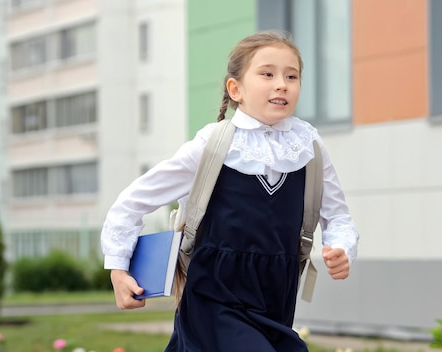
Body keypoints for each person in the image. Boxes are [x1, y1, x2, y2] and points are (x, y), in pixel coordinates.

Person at [100, 30, 359, 351]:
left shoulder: (309, 147)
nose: (282, 83)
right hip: (214, 293)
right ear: (235, 89)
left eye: (292, 76)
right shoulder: (213, 144)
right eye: (267, 73)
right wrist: (118, 268)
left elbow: (338, 218)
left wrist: (341, 248)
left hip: (276, 294)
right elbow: (132, 201)